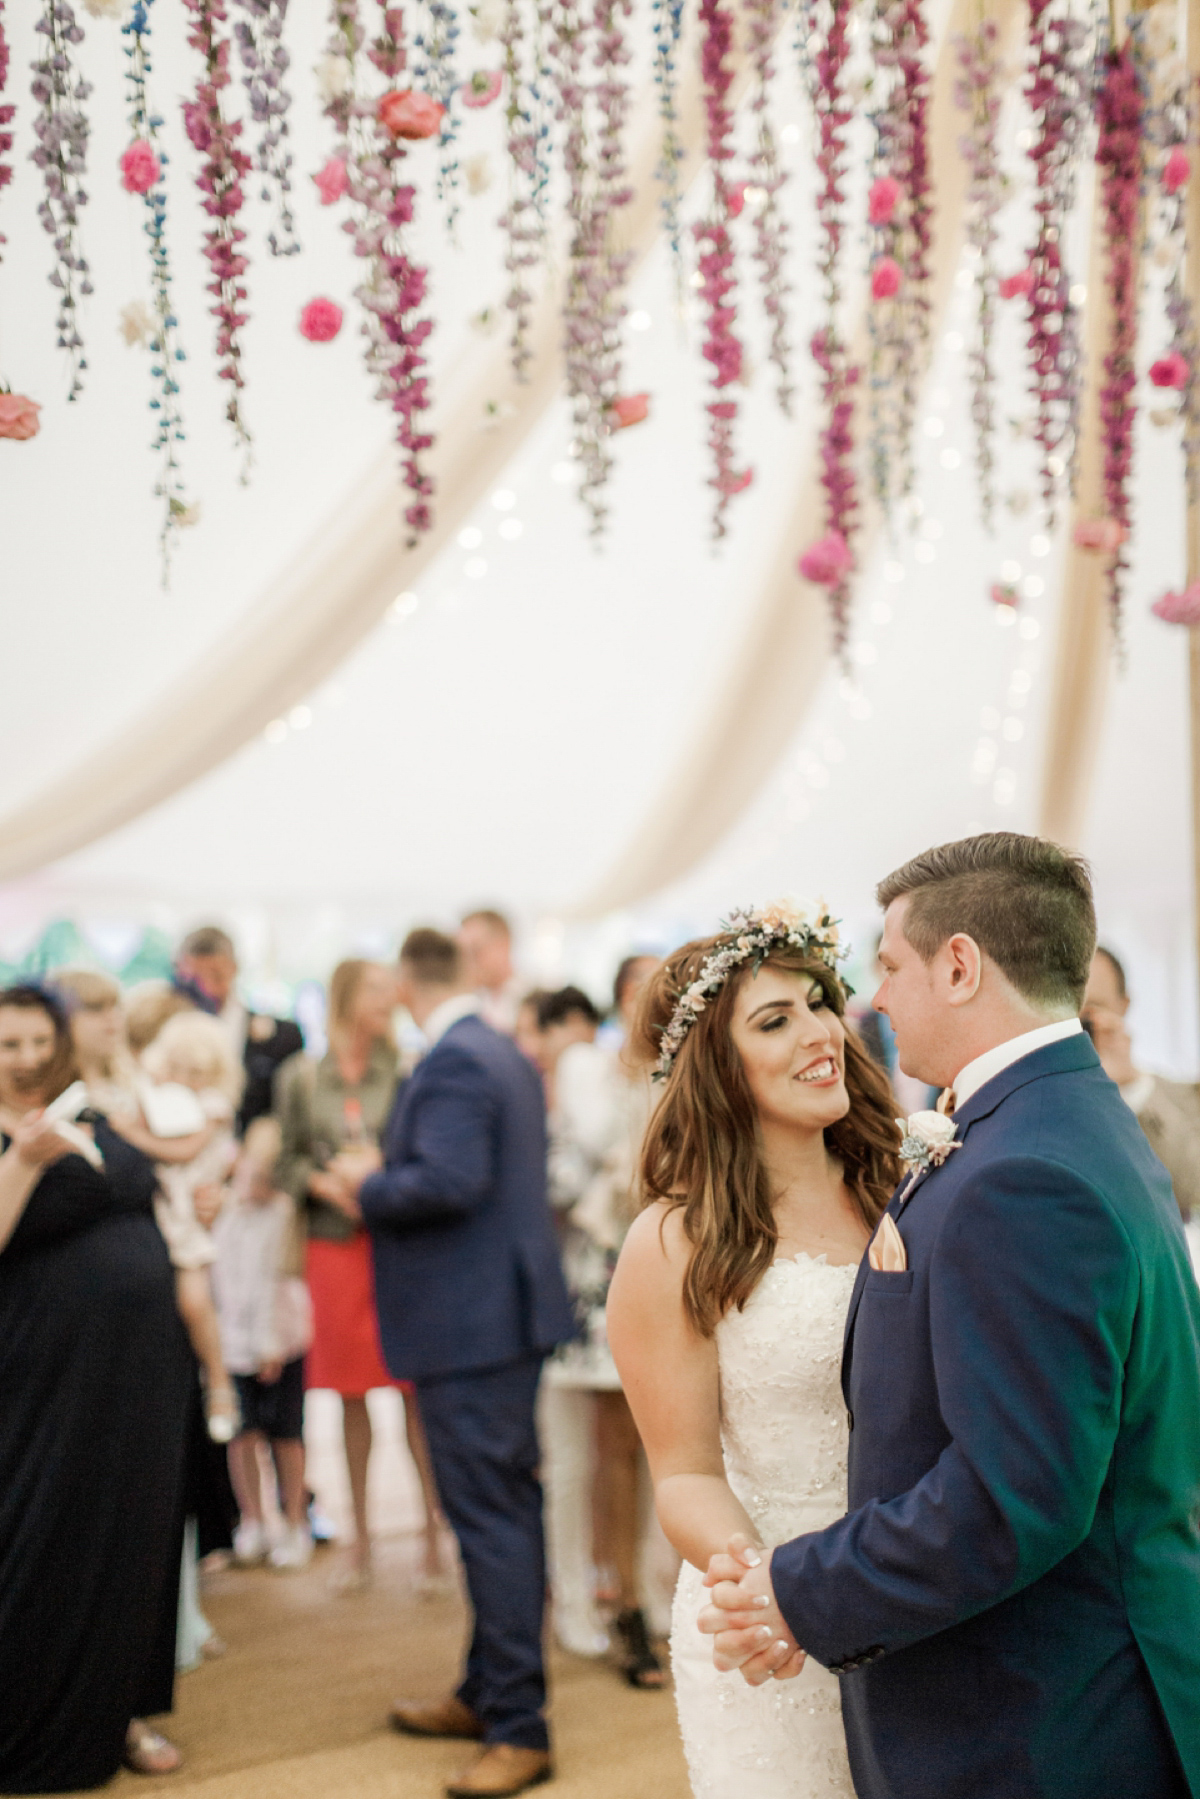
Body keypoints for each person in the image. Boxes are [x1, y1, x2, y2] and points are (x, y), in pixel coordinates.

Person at [696, 835, 1200, 1799]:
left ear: (959, 963)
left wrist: (802, 1590)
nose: (873, 1000)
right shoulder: (1062, 1118)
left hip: (1038, 1714)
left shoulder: (1022, 1173)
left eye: (889, 965)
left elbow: (1015, 1496)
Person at [607, 907, 899, 1796]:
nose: (820, 1033)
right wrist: (769, 1592)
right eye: (775, 1020)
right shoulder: (675, 1243)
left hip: (920, 1593)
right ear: (716, 1068)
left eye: (820, 1003)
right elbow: (686, 1473)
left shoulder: (904, 1186)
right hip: (770, 1613)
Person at [333, 928, 574, 1799]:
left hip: (473, 1324)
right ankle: (486, 1691)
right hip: (492, 1316)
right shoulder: (495, 1048)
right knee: (501, 1509)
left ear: (406, 981)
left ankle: (519, 1725)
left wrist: (364, 1181)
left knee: (493, 1519)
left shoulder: (459, 1058)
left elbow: (449, 1179)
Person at [0, 984, 192, 1788]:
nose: (29, 1056)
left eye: (40, 1040)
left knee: (134, 1535)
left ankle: (121, 1709)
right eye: (10, 1044)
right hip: (44, 1375)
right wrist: (22, 1159)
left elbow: (148, 1181)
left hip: (140, 1370)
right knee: (44, 1532)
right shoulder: (18, 1132)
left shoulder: (89, 1106)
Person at [275, 958, 445, 1591]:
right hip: (332, 1248)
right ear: (347, 997)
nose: (391, 998)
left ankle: (433, 1540)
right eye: (377, 989)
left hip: (396, 1245)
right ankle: (361, 1543)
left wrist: (377, 1181)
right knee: (348, 1401)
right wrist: (324, 1183)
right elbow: (287, 1159)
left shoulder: (406, 1071)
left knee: (413, 1396)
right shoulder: (299, 1076)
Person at [543, 956, 667, 1684]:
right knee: (611, 1441)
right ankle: (615, 1594)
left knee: (660, 1436)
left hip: (663, 1262)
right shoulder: (591, 1069)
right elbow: (574, 1162)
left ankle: (649, 1589)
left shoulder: (686, 1072)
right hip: (601, 1272)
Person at [212, 1118, 314, 1570]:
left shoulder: (285, 1215)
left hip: (281, 1345)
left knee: (286, 1437)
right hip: (232, 1347)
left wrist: (270, 1344)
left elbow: (275, 1283)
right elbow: (221, 1281)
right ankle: (252, 1519)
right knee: (242, 1435)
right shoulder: (227, 1213)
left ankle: (295, 1522)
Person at [142, 1009, 243, 1443]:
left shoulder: (211, 1108)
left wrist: (128, 1131)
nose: (184, 1078)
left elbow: (184, 1150)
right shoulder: (154, 1097)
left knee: (195, 1301)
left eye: (196, 1071)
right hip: (165, 1217)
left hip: (186, 1221)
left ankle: (219, 1383)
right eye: (177, 1067)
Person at [1083, 944, 1200, 1216]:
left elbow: (1191, 1190)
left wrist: (1132, 1086)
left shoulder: (1178, 1100)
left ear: (1123, 1006)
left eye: (1092, 1011)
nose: (1080, 1025)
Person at [175, 926, 304, 1132]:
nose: (206, 988)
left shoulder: (283, 1035)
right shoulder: (167, 1032)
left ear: (234, 968)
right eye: (195, 979)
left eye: (216, 975)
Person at [459, 909, 521, 1034]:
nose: (468, 962)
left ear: (504, 945)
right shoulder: (464, 1005)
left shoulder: (537, 1000)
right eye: (462, 954)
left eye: (475, 951)